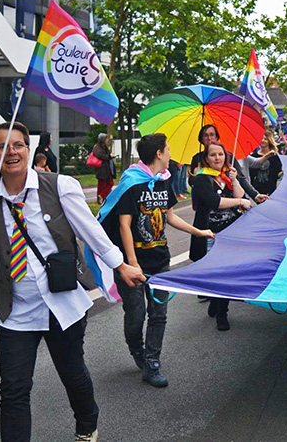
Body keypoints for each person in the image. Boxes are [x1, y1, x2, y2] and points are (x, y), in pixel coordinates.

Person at [0, 121, 145, 442]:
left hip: (62, 304)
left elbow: (90, 231)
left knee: (72, 373)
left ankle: (87, 425)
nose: (11, 152)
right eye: (2, 147)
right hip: (16, 312)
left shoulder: (59, 186)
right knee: (13, 390)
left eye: (18, 144)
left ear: (29, 149)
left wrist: (122, 266)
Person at [101, 133, 214, 388]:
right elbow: (124, 225)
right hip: (132, 264)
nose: (171, 153)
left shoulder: (164, 181)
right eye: (168, 149)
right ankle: (136, 348)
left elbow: (170, 217)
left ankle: (152, 362)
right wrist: (132, 261)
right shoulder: (132, 183)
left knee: (159, 314)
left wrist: (199, 232)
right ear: (159, 154)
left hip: (160, 260)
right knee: (136, 315)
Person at [190, 141, 251, 330]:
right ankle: (216, 301)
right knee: (214, 273)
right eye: (213, 155)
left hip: (231, 232)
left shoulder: (226, 176)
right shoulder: (201, 179)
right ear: (206, 158)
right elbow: (214, 202)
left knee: (227, 273)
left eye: (221, 154)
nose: (218, 158)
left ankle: (222, 312)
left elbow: (242, 197)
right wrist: (239, 200)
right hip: (210, 234)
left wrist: (234, 180)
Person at [247, 131, 283, 195]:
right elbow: (250, 174)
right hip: (256, 191)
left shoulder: (275, 157)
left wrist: (284, 172)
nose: (262, 140)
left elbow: (277, 174)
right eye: (261, 138)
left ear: (269, 141)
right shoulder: (254, 156)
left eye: (265, 139)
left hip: (270, 191)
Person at [91, 133, 115, 205]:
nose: (107, 140)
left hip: (106, 169)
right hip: (102, 169)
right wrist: (109, 156)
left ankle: (102, 198)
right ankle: (102, 196)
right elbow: (100, 155)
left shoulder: (103, 147)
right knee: (107, 184)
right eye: (106, 139)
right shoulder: (97, 147)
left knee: (104, 184)